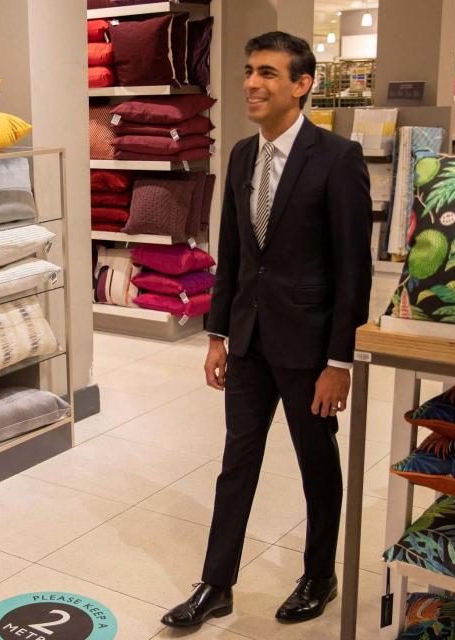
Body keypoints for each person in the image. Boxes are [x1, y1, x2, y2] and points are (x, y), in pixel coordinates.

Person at [161, 32, 372, 628]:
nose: (252, 83)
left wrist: (340, 361)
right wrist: (217, 333)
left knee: (316, 464)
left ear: (302, 85)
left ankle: (320, 574)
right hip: (249, 340)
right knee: (237, 462)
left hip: (310, 348)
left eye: (269, 74)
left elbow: (352, 271)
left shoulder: (337, 158)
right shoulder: (240, 155)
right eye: (250, 70)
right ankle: (216, 582)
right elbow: (233, 253)